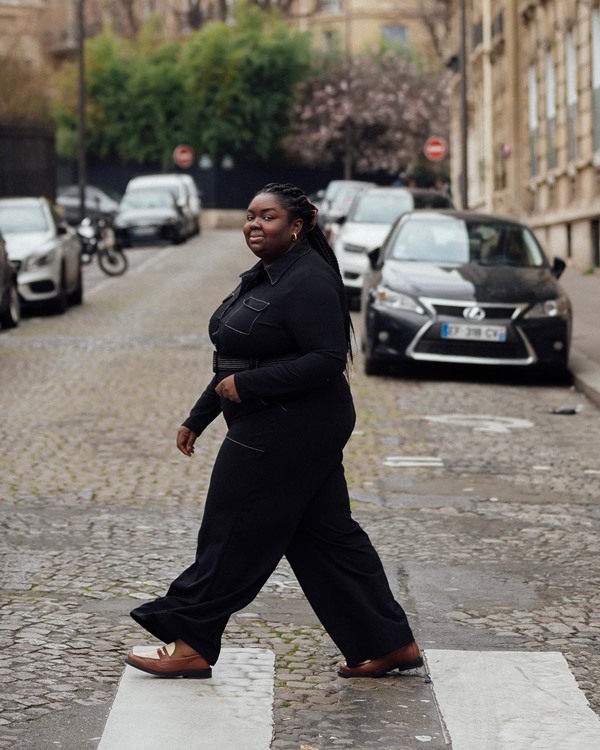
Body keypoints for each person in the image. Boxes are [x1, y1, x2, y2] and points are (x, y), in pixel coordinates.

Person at [125, 182, 422, 680]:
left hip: (292, 425)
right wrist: (199, 416)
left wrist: (250, 385)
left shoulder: (308, 279)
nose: (254, 226)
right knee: (325, 537)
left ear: (298, 224)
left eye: (267, 218)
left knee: (230, 528)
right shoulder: (266, 276)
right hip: (286, 421)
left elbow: (327, 360)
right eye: (250, 216)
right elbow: (236, 359)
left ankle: (192, 640)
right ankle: (389, 643)